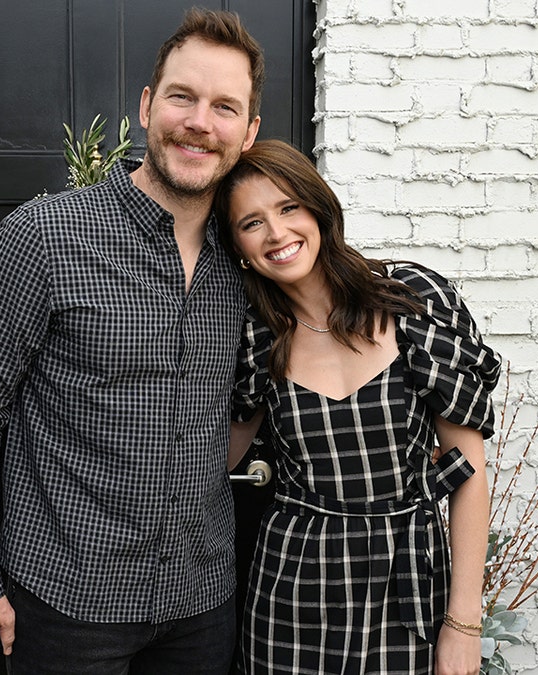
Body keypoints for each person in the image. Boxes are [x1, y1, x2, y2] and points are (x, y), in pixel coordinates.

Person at [0, 9, 263, 674]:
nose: (201, 122)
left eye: (225, 107)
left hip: (201, 604)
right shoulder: (44, 239)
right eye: (182, 97)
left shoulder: (248, 257)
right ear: (147, 106)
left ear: (249, 132)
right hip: (67, 605)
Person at [214, 140, 502, 675]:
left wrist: (464, 623)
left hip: (407, 582)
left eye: (288, 207)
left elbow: (469, 471)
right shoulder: (255, 336)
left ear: (318, 208)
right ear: (238, 248)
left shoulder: (413, 302)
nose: (276, 233)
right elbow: (214, 462)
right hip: (291, 588)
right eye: (251, 223)